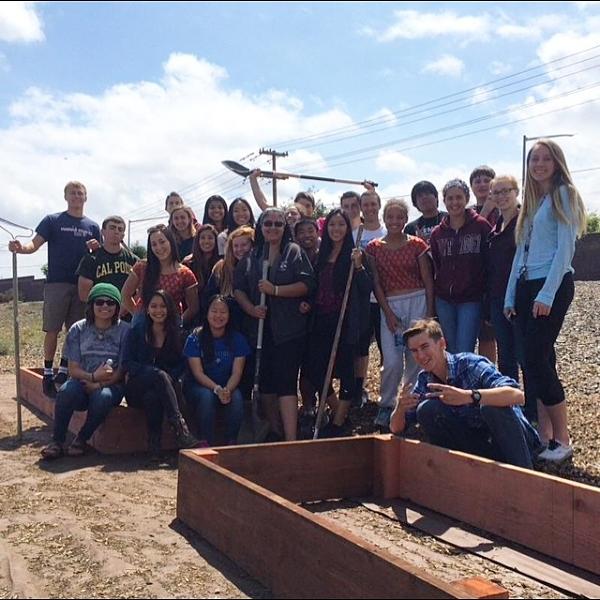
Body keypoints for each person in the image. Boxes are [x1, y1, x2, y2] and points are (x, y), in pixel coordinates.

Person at [504, 139, 586, 463]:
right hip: (526, 286)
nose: (539, 164)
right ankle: (545, 435)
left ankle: (563, 439)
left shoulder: (563, 194)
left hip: (550, 285)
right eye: (533, 159)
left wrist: (547, 294)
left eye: (545, 158)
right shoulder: (532, 203)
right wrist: (511, 295)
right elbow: (518, 254)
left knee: (536, 360)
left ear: (557, 162)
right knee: (537, 361)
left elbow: (565, 250)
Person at [390, 319, 540, 469]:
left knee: (490, 407)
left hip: (516, 442)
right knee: (427, 410)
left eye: (424, 347)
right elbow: (396, 429)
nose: (421, 355)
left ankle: (526, 476)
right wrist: (400, 408)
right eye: (414, 351)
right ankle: (457, 472)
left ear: (442, 344)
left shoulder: (469, 364)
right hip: (480, 446)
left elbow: (517, 395)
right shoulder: (425, 380)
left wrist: (469, 396)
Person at [9, 181, 100, 397]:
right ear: (66, 197)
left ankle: (65, 370)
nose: (77, 196)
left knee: (75, 331)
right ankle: (48, 373)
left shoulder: (93, 226)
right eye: (73, 193)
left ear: (85, 198)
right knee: (52, 329)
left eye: (80, 193)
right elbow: (34, 244)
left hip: (82, 284)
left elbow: (100, 253)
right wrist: (21, 249)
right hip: (57, 283)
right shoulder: (53, 220)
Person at [234, 208, 316, 441]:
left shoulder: (294, 252)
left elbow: (307, 285)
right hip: (260, 331)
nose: (272, 228)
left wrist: (276, 290)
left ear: (285, 228)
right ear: (260, 227)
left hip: (288, 331)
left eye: (278, 224)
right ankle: (275, 431)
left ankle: (290, 439)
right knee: (267, 385)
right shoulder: (252, 256)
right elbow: (239, 288)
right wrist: (251, 308)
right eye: (267, 223)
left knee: (286, 382)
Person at [40, 283, 129, 459]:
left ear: (117, 306)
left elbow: (122, 371)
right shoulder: (78, 329)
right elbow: (73, 369)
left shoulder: (125, 331)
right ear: (91, 305)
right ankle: (57, 441)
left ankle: (81, 439)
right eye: (99, 302)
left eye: (110, 303)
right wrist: (93, 377)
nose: (105, 306)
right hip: (82, 381)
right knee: (65, 391)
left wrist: (100, 384)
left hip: (110, 385)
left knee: (102, 397)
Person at [303, 209, 372, 437]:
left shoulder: (356, 254)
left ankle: (339, 422)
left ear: (347, 228)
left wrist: (359, 266)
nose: (336, 229)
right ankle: (335, 408)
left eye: (341, 225)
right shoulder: (321, 255)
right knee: (315, 368)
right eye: (332, 225)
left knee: (345, 369)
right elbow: (314, 287)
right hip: (321, 319)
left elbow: (365, 288)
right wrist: (307, 304)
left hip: (345, 319)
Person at [366, 199, 434, 430]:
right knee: (393, 361)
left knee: (415, 358)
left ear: (406, 219)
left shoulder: (417, 245)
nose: (395, 221)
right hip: (391, 304)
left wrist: (430, 312)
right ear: (385, 219)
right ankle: (387, 404)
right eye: (390, 217)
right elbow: (376, 283)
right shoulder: (374, 248)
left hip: (417, 300)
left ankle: (411, 405)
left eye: (399, 217)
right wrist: (387, 312)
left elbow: (427, 279)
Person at [123, 289, 198, 460]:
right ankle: (180, 429)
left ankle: (154, 448)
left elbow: (182, 365)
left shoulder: (177, 334)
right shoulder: (136, 331)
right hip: (136, 387)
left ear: (169, 309)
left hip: (163, 390)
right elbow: (127, 363)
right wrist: (152, 372)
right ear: (147, 309)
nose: (158, 311)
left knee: (153, 397)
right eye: (154, 306)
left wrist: (169, 377)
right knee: (159, 376)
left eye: (163, 306)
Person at [429, 178, 492, 354]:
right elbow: (437, 264)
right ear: (444, 201)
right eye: (450, 198)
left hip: (471, 298)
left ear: (466, 199)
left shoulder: (480, 226)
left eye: (459, 197)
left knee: (465, 349)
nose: (454, 202)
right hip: (444, 300)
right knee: (449, 349)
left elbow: (488, 262)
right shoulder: (437, 233)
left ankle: (464, 382)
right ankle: (452, 382)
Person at [183, 295, 251, 445]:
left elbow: (237, 372)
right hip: (199, 386)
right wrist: (216, 389)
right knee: (206, 397)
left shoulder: (237, 339)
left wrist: (227, 389)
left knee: (237, 397)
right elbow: (197, 373)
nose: (218, 316)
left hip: (227, 385)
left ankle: (231, 441)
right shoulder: (195, 338)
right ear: (207, 313)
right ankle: (205, 440)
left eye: (223, 312)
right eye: (214, 311)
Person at [485, 176, 523, 390]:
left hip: (521, 296)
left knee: (524, 353)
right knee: (505, 353)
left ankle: (534, 407)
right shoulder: (495, 228)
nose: (501, 196)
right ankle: (512, 401)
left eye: (505, 190)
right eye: (496, 192)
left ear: (516, 191)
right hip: (498, 297)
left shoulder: (525, 222)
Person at [120, 225, 198, 328]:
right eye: (154, 244)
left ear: (170, 241)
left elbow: (193, 307)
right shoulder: (142, 267)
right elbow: (125, 294)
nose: (159, 247)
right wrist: (137, 315)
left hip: (171, 327)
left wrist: (179, 322)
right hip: (143, 324)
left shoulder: (185, 274)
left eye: (162, 242)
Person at [76, 215, 138, 303]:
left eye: (120, 229)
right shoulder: (91, 259)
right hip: (101, 310)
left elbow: (141, 290)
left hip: (127, 312)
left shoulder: (133, 260)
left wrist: (126, 307)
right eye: (112, 228)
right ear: (103, 232)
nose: (116, 231)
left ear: (123, 235)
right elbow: (84, 295)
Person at [204, 226, 254, 329]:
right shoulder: (221, 268)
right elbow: (209, 297)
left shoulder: (259, 267)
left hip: (253, 324)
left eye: (244, 245)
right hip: (227, 326)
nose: (239, 249)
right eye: (235, 246)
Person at [184, 224, 220, 320]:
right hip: (194, 314)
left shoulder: (222, 264)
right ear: (197, 241)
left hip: (217, 313)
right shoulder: (188, 263)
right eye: (202, 238)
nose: (206, 241)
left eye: (210, 238)